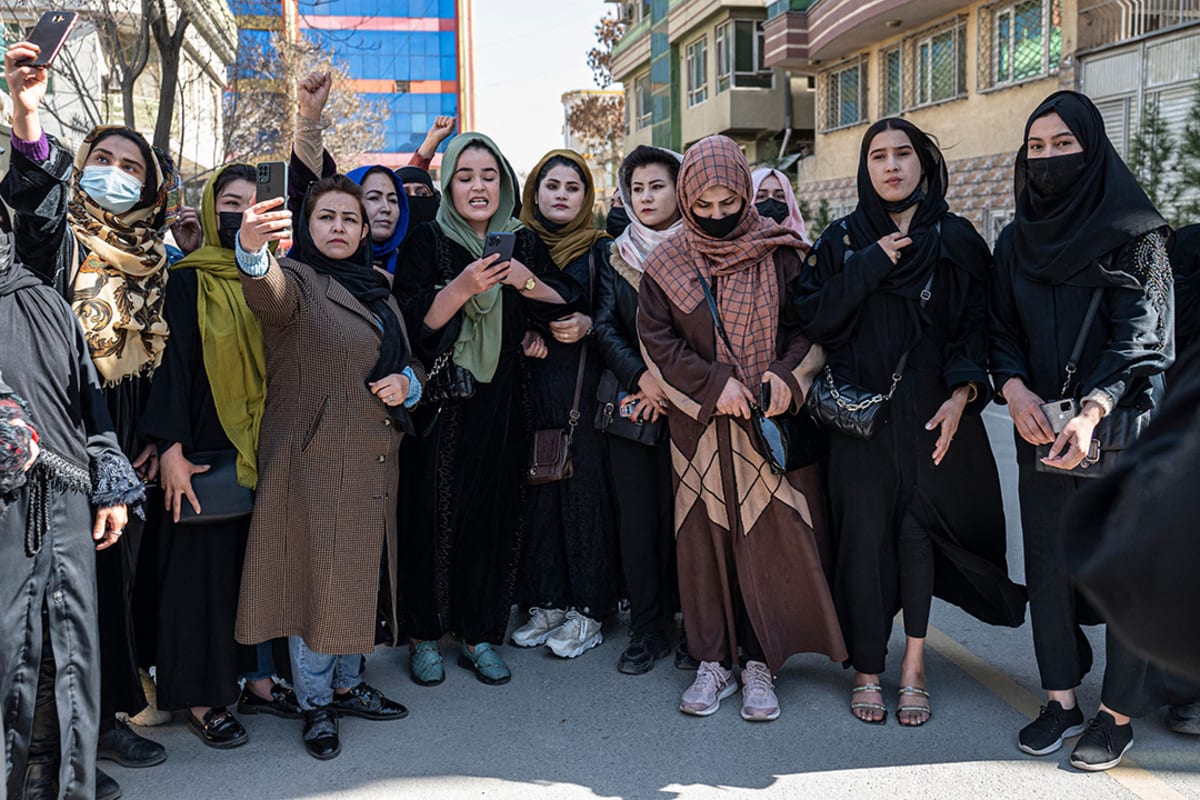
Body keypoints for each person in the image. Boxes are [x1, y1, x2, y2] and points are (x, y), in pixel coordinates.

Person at [794, 118, 1026, 727]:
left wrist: (964, 395)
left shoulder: (957, 238)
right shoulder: (843, 240)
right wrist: (868, 266)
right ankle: (868, 668)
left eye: (903, 154)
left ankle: (915, 664)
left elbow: (976, 325)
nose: (891, 166)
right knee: (864, 539)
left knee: (920, 535)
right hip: (861, 418)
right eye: (877, 156)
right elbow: (815, 320)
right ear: (865, 168)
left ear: (924, 162)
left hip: (934, 412)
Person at [0, 40, 170, 785]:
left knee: (93, 619)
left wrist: (141, 448)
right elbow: (37, 213)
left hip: (108, 458)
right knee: (31, 630)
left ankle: (88, 736)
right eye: (108, 160)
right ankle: (45, 755)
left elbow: (163, 364)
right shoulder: (58, 247)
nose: (119, 176)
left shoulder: (146, 258)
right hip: (39, 463)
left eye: (135, 167)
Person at [990, 90, 1174, 771]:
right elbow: (997, 330)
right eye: (1035, 147)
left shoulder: (1136, 232)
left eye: (1062, 145)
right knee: (1047, 565)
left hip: (1121, 428)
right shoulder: (1015, 240)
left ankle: (1116, 714)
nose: (1047, 159)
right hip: (1037, 425)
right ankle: (1061, 698)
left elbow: (1142, 335)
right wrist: (1011, 390)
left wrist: (1094, 408)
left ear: (1091, 149)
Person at [637, 135, 846, 721]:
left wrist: (782, 376)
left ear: (746, 192)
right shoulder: (666, 264)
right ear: (686, 200)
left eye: (730, 201)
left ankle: (761, 662)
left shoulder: (782, 252)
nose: (718, 215)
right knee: (703, 544)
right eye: (703, 205)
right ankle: (712, 661)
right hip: (699, 430)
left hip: (767, 424)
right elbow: (657, 341)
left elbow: (808, 329)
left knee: (773, 541)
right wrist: (712, 386)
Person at [234, 173, 421, 760]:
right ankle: (316, 704)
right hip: (312, 459)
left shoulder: (381, 292)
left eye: (349, 218)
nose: (338, 227)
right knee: (316, 582)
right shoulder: (297, 280)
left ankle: (346, 683)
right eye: (326, 218)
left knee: (358, 576)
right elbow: (265, 291)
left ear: (365, 230)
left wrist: (409, 384)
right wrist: (251, 247)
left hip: (373, 456)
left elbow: (406, 359)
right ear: (308, 227)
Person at [393, 131, 578, 687]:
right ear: (448, 183)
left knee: (494, 519)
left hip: (504, 402)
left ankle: (479, 636)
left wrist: (528, 281)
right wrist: (460, 288)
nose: (478, 186)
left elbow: (567, 302)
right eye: (466, 176)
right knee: (429, 515)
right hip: (444, 404)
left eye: (489, 175)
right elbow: (411, 326)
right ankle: (424, 637)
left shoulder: (521, 241)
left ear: (505, 183)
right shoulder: (428, 240)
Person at [139, 164, 303, 751]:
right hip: (204, 449)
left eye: (258, 204)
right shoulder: (188, 278)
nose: (244, 213)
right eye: (232, 203)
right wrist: (173, 449)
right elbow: (173, 364)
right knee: (201, 579)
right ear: (212, 212)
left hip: (269, 447)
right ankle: (204, 698)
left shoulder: (283, 279)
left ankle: (258, 678)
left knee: (258, 570)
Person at [509, 150, 618, 659]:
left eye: (572, 188)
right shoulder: (519, 242)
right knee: (539, 498)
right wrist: (528, 332)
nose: (561, 195)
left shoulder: (600, 249)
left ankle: (590, 609)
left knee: (584, 497)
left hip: (582, 391)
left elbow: (616, 315)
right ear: (535, 191)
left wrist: (590, 326)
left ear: (586, 198)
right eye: (551, 185)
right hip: (532, 390)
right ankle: (548, 601)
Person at [592, 145, 683, 674]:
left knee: (690, 523)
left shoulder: (703, 247)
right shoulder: (616, 254)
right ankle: (647, 630)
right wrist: (642, 379)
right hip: (634, 408)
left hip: (692, 408)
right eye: (639, 188)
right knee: (640, 522)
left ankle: (696, 623)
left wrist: (673, 385)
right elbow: (604, 327)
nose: (647, 198)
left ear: (680, 188)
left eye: (658, 186)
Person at [751, 168, 809, 243]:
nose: (770, 203)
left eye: (779, 196)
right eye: (761, 196)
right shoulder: (737, 244)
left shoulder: (801, 246)